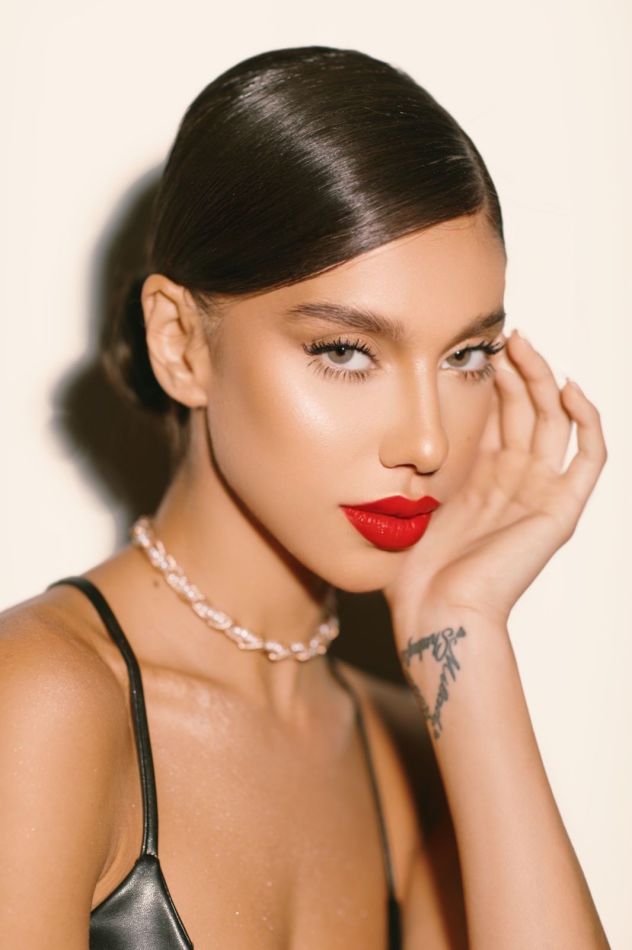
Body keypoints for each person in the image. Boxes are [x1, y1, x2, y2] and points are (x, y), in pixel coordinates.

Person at [0, 44, 610, 949]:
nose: (428, 443)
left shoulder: (409, 749)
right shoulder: (39, 702)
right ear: (180, 344)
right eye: (346, 352)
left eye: (466, 356)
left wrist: (466, 639)